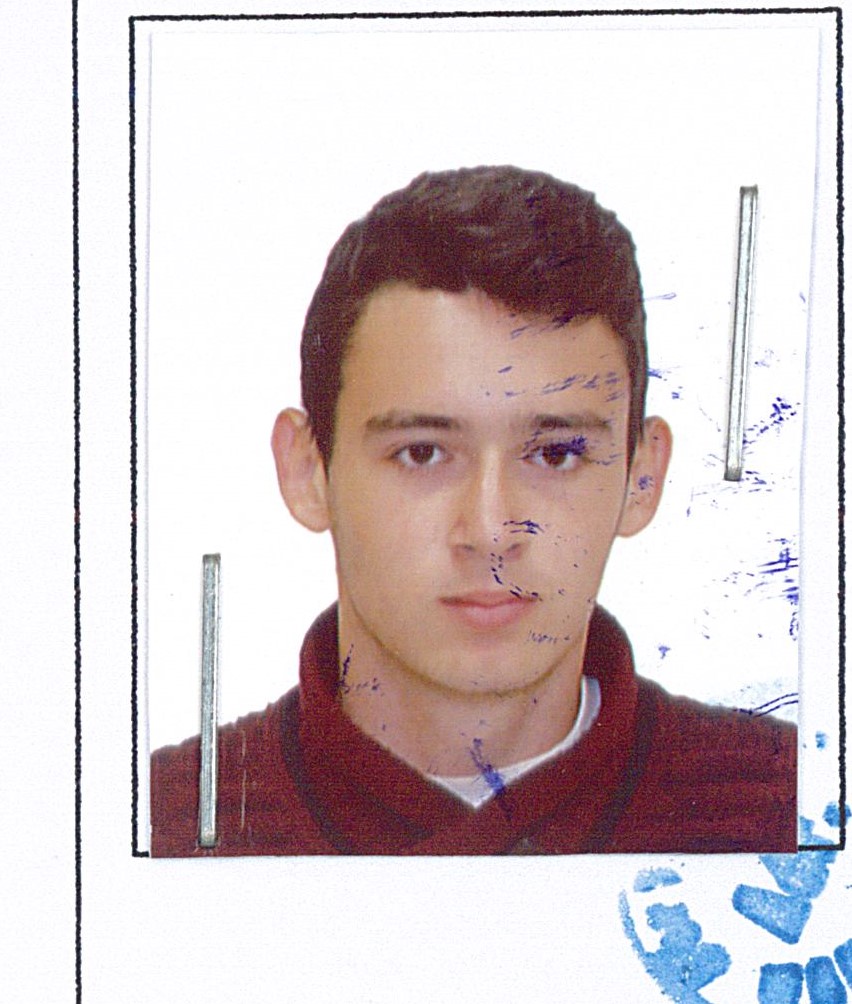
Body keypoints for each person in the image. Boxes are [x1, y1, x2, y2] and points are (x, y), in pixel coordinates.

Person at [151, 166, 796, 856]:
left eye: (555, 455)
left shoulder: (799, 807)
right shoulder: (156, 826)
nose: (491, 532)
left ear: (643, 476)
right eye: (423, 453)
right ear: (307, 470)